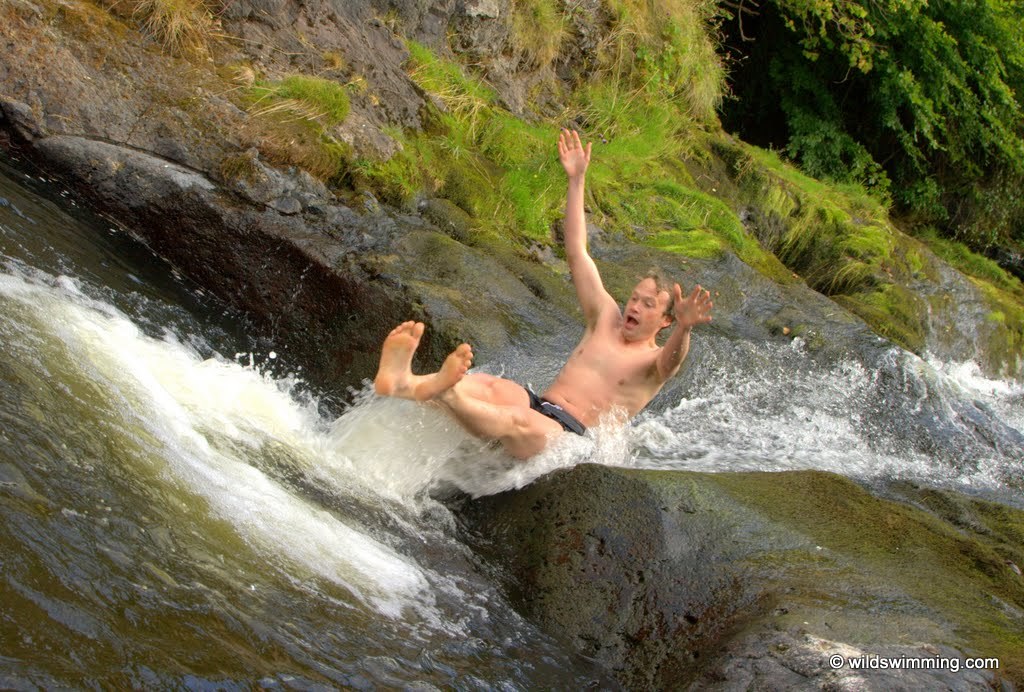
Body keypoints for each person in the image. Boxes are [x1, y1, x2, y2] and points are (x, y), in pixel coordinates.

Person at [373, 129, 713, 459]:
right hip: (540, 403)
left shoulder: (652, 363)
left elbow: (673, 361)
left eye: (648, 304)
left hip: (568, 437)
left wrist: (685, 328)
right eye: (635, 297)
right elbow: (578, 252)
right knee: (488, 386)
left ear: (666, 320)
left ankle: (445, 394)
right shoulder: (605, 318)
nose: (634, 305)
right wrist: (576, 181)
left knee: (517, 421)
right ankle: (405, 382)